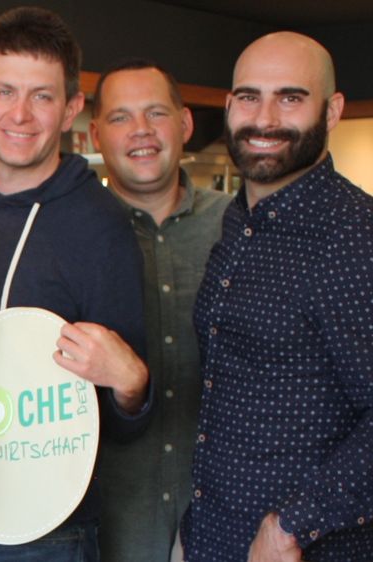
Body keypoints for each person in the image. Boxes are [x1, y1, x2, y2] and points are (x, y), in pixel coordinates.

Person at [0, 7, 151, 560]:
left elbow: (124, 420)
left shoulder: (100, 225)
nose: (20, 114)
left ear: (72, 108)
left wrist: (131, 383)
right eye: (4, 92)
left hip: (51, 530)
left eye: (42, 96)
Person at [180, 31, 373, 561]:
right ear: (229, 105)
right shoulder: (238, 221)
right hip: (212, 536)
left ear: (331, 111)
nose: (264, 119)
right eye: (248, 96)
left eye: (290, 97)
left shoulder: (355, 235)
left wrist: (292, 524)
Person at [87, 59, 231, 562]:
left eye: (156, 113)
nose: (141, 131)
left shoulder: (240, 226)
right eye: (121, 117)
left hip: (227, 514)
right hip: (115, 521)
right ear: (95, 134)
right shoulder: (73, 234)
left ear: (186, 124)